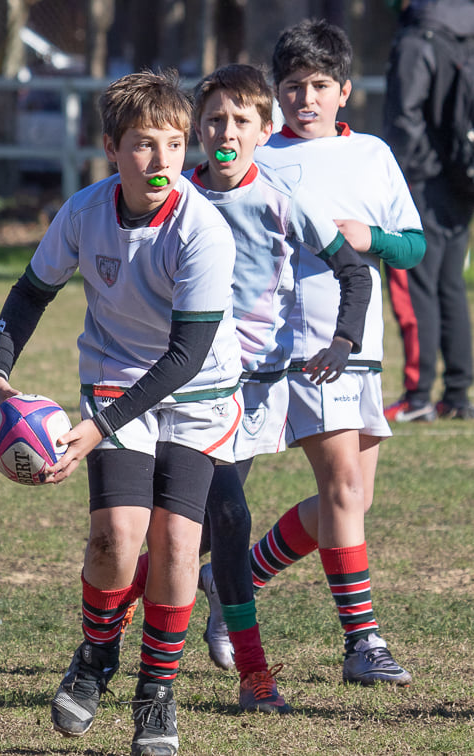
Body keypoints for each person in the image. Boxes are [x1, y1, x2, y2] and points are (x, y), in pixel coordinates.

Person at [0, 70, 243, 756]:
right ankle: (97, 656)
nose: (161, 161)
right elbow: (30, 293)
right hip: (115, 378)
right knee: (114, 543)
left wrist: (97, 426)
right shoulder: (84, 211)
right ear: (110, 147)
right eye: (143, 144)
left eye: (174, 144)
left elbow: (187, 357)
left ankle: (156, 692)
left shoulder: (203, 232)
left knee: (179, 546)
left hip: (197, 394)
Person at [124, 63, 375, 715]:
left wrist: (342, 342)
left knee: (195, 533)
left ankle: (109, 616)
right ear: (197, 130)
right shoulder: (174, 195)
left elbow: (355, 274)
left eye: (241, 121)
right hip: (187, 390)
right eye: (214, 120)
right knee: (229, 518)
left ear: (267, 130)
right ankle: (255, 676)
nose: (226, 132)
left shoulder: (282, 203)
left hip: (259, 396)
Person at [245, 18, 425, 687]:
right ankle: (363, 643)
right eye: (292, 86)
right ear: (277, 92)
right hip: (302, 347)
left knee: (349, 501)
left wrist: (370, 235)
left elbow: (414, 245)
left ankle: (229, 578)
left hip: (362, 345)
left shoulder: (373, 155)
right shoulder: (260, 157)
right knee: (343, 487)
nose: (306, 98)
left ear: (344, 90)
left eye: (319, 84)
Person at [383, 0, 474, 422]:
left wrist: (404, 176)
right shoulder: (467, 32)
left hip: (423, 180)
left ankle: (418, 397)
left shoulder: (419, 37)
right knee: (450, 285)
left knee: (415, 283)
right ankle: (457, 393)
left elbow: (406, 114)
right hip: (464, 175)